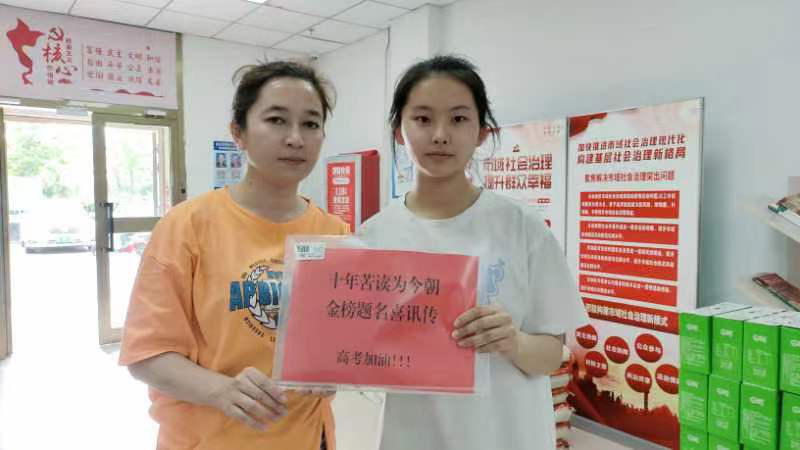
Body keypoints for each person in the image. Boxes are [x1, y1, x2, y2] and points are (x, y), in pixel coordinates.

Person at [358, 55, 589, 449]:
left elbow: (552, 355)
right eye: (423, 119)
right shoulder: (374, 236)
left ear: (482, 132)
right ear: (399, 131)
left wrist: (513, 341)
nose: (440, 135)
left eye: (459, 118)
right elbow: (360, 354)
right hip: (414, 435)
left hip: (509, 436)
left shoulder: (522, 226)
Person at [119, 61, 347, 450]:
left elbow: (345, 338)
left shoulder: (335, 233)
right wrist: (220, 390)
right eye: (276, 120)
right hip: (208, 440)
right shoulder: (186, 226)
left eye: (311, 124)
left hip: (308, 439)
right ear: (238, 132)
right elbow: (146, 354)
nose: (296, 138)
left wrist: (337, 367)